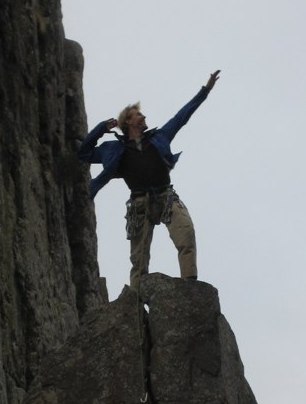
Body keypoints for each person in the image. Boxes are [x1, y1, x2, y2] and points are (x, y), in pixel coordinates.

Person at [78, 70, 220, 289]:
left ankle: (190, 286)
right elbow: (84, 153)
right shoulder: (114, 149)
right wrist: (100, 129)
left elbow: (182, 116)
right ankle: (134, 303)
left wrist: (205, 90)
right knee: (139, 260)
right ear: (128, 122)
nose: (144, 117)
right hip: (139, 204)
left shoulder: (160, 137)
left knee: (186, 234)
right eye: (139, 115)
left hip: (166, 197)